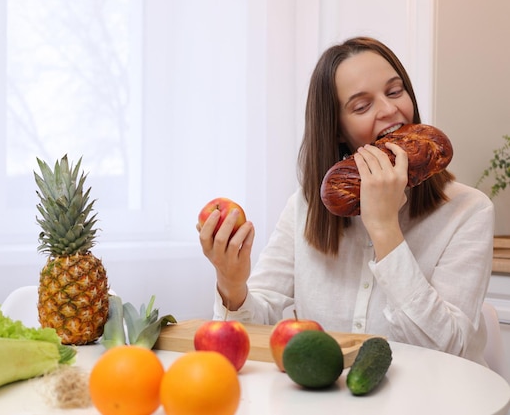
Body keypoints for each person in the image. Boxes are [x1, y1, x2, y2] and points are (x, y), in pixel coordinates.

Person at [197, 36, 494, 365]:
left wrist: (384, 228)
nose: (390, 109)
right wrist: (232, 283)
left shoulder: (469, 211)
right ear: (338, 130)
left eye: (395, 91)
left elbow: (448, 351)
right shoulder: (304, 208)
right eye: (362, 106)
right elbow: (248, 338)